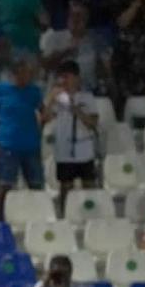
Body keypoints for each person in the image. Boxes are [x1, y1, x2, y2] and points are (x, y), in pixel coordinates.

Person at [0, 54, 45, 221]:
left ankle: (38, 217)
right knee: (5, 185)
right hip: (8, 145)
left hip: (31, 145)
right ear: (14, 74)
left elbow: (43, 111)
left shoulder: (34, 91)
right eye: (23, 73)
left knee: (36, 185)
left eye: (28, 73)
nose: (26, 77)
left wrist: (40, 129)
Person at [41, 60, 99, 206]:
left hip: (84, 150)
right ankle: (65, 216)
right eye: (61, 77)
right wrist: (49, 99)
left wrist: (74, 108)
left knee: (89, 187)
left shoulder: (87, 97)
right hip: (64, 150)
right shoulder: (57, 99)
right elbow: (43, 118)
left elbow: (93, 123)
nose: (64, 80)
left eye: (67, 76)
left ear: (76, 77)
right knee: (65, 188)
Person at [40, 0, 110, 94]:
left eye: (79, 16)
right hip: (59, 92)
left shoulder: (96, 40)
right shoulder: (55, 37)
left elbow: (106, 71)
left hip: (87, 92)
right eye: (72, 15)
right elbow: (46, 66)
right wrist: (66, 51)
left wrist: (102, 65)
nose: (75, 19)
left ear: (87, 19)